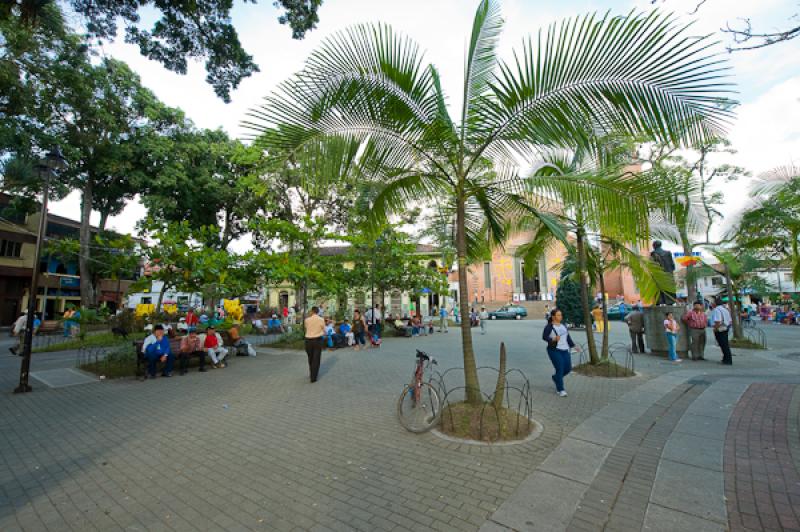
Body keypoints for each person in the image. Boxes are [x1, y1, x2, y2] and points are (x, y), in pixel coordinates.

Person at [542, 309, 580, 397]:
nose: (561, 317)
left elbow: (568, 337)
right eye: (558, 315)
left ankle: (556, 378)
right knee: (560, 368)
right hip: (554, 350)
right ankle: (560, 389)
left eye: (561, 315)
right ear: (553, 317)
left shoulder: (563, 326)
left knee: (568, 368)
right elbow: (544, 337)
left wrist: (573, 346)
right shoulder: (549, 326)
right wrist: (552, 339)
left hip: (565, 349)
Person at [304, 306, 325, 382]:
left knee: (310, 358)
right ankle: (313, 377)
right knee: (316, 359)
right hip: (317, 340)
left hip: (308, 340)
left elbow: (306, 328)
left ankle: (311, 373)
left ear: (312, 311)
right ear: (318, 312)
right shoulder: (321, 319)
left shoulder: (307, 320)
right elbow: (324, 329)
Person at [710, 298, 733, 365]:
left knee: (723, 345)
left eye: (713, 302)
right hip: (725, 328)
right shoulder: (725, 309)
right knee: (725, 344)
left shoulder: (717, 310)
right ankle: (726, 358)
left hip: (720, 329)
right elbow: (730, 320)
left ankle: (727, 360)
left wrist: (715, 329)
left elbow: (718, 321)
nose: (712, 303)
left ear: (715, 303)